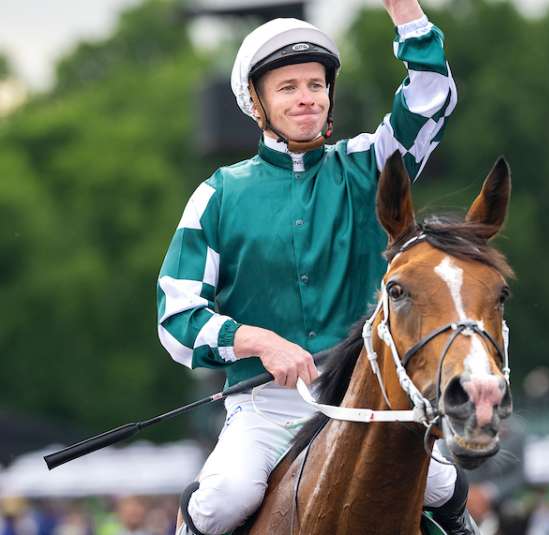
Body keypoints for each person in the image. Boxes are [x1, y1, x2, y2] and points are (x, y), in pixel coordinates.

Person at [157, 1, 475, 533]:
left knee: (445, 485)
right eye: (288, 87)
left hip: (365, 400)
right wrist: (258, 341)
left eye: (316, 85)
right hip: (265, 411)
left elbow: (431, 100)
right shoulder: (218, 195)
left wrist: (407, 15)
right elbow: (175, 316)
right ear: (256, 103)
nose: (306, 97)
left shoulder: (369, 165)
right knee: (222, 500)